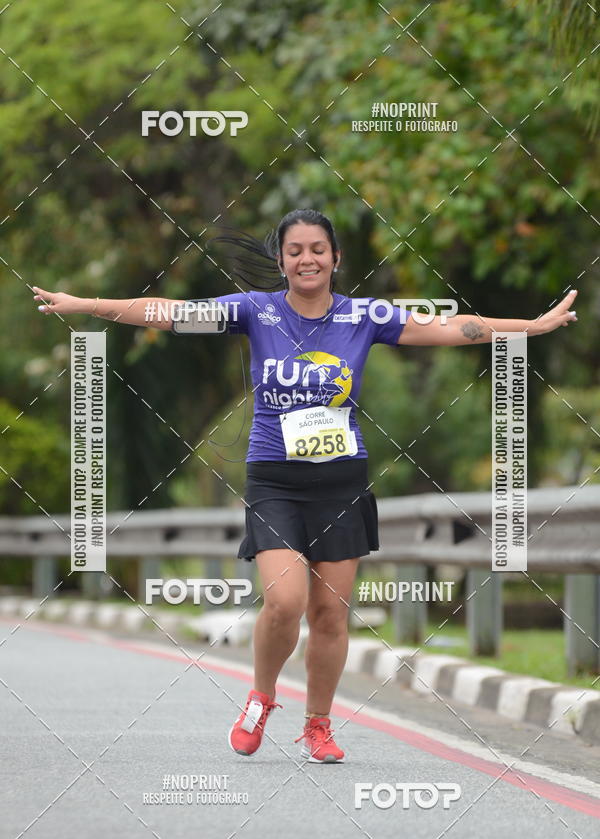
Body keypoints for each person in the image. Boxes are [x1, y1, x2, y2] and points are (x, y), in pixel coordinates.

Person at [32, 208, 578, 764]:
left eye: (318, 249)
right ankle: (261, 698)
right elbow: (170, 312)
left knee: (330, 615)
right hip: (275, 481)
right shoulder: (255, 311)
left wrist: (532, 326)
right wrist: (86, 307)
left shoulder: (365, 316)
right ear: (281, 260)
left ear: (335, 258)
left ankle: (319, 724)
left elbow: (455, 327)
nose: (307, 259)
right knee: (285, 602)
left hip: (341, 482)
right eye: (295, 250)